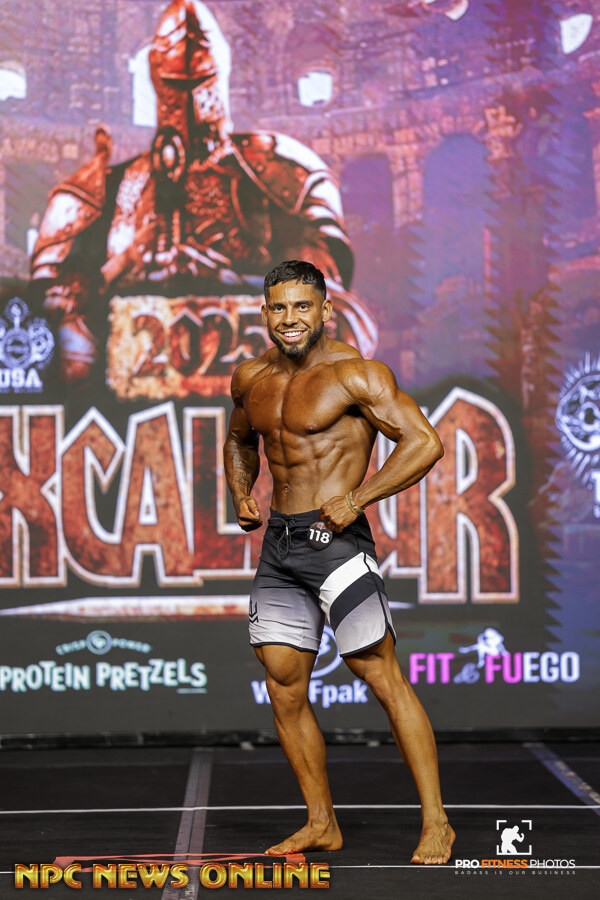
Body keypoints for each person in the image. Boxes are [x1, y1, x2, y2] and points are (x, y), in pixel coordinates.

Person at [224, 259, 455, 864]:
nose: (290, 318)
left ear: (326, 310)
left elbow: (425, 442)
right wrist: (241, 492)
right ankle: (321, 823)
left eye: (303, 306)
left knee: (380, 675)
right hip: (280, 547)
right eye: (279, 307)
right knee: (283, 686)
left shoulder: (356, 375)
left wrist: (358, 498)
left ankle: (437, 822)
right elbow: (239, 440)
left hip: (338, 546)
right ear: (264, 312)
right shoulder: (251, 377)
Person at [30, 0, 375, 384]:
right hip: (129, 381)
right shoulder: (109, 186)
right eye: (177, 85)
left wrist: (232, 279)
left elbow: (330, 300)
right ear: (155, 77)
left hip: (260, 371)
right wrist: (123, 267)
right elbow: (52, 310)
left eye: (200, 82)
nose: (190, 101)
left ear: (220, 74)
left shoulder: (282, 171)